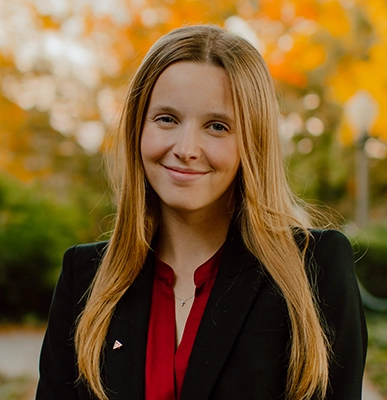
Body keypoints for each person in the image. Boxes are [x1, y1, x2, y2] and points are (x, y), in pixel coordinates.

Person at [36, 24, 367, 400]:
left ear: (252, 142)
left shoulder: (314, 270)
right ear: (137, 129)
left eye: (217, 126)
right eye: (167, 119)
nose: (186, 148)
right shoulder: (85, 279)